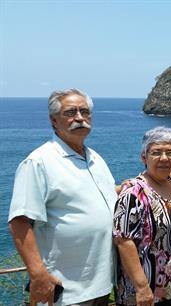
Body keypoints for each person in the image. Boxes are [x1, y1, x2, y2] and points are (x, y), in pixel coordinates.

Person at [8, 88, 117, 305]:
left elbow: (105, 195)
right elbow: (19, 222)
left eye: (84, 112)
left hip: (101, 284)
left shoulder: (95, 158)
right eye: (70, 112)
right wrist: (38, 275)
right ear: (54, 121)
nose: (79, 118)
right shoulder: (39, 162)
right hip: (64, 289)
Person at [113, 126, 171, 305]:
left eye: (170, 153)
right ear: (144, 157)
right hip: (143, 291)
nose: (164, 158)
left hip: (169, 288)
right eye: (156, 152)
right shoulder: (134, 192)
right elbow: (123, 241)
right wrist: (142, 287)